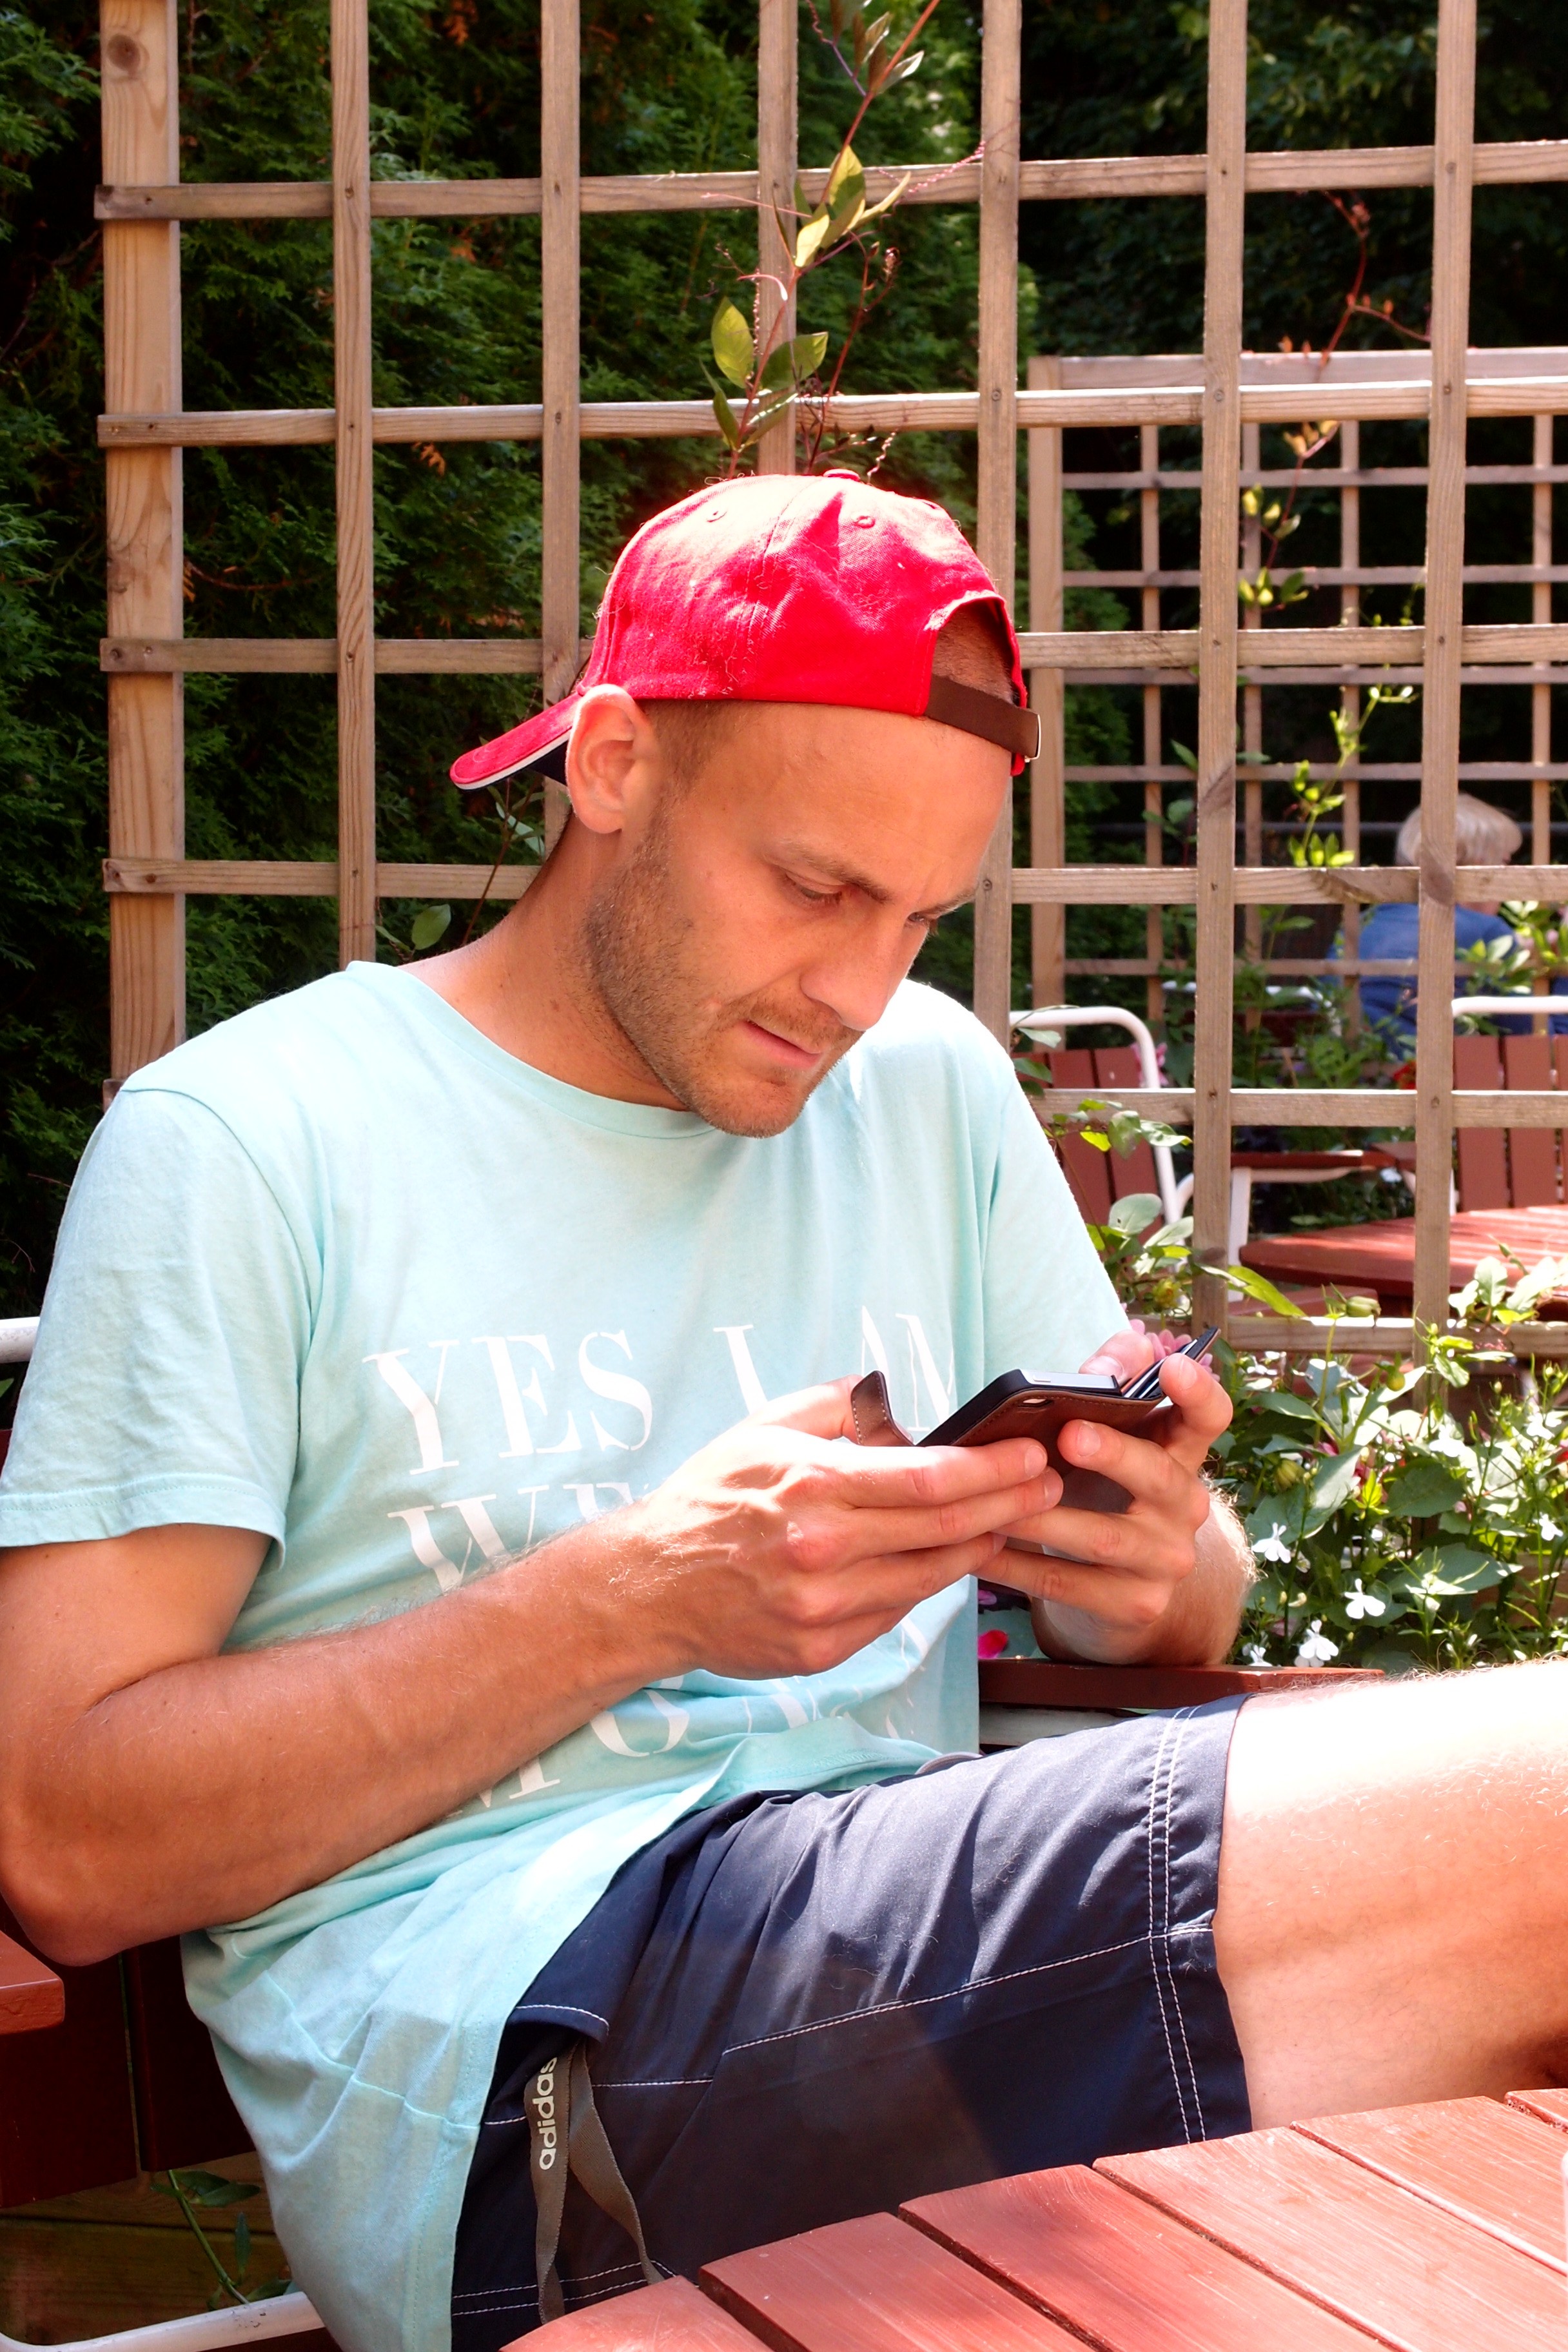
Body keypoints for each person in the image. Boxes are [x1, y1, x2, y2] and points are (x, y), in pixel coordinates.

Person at [1, 476, 1565, 2352]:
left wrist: (1149, 1572)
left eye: (916, 916)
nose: (856, 988)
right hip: (531, 2088)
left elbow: (1182, 1601)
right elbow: (63, 1839)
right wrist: (638, 1597)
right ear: (610, 764)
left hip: (924, 1984)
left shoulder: (927, 1087)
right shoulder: (252, 1143)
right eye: (816, 888)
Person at [1355, 792, 1563, 1046]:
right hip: (1432, 1069)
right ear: (1478, 866)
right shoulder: (1486, 931)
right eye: (1504, 863)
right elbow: (1545, 1047)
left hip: (1354, 1064)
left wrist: (1515, 949)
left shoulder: (1362, 923)